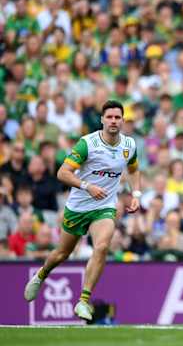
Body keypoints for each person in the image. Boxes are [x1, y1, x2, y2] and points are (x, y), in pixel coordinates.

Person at [23, 100, 142, 322]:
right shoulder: (87, 144)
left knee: (103, 246)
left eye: (118, 117)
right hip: (78, 206)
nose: (114, 121)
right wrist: (87, 186)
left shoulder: (129, 145)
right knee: (62, 253)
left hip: (104, 206)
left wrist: (136, 195)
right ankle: (41, 275)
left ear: (123, 120)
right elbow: (63, 173)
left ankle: (84, 301)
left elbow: (134, 169)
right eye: (110, 117)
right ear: (102, 120)